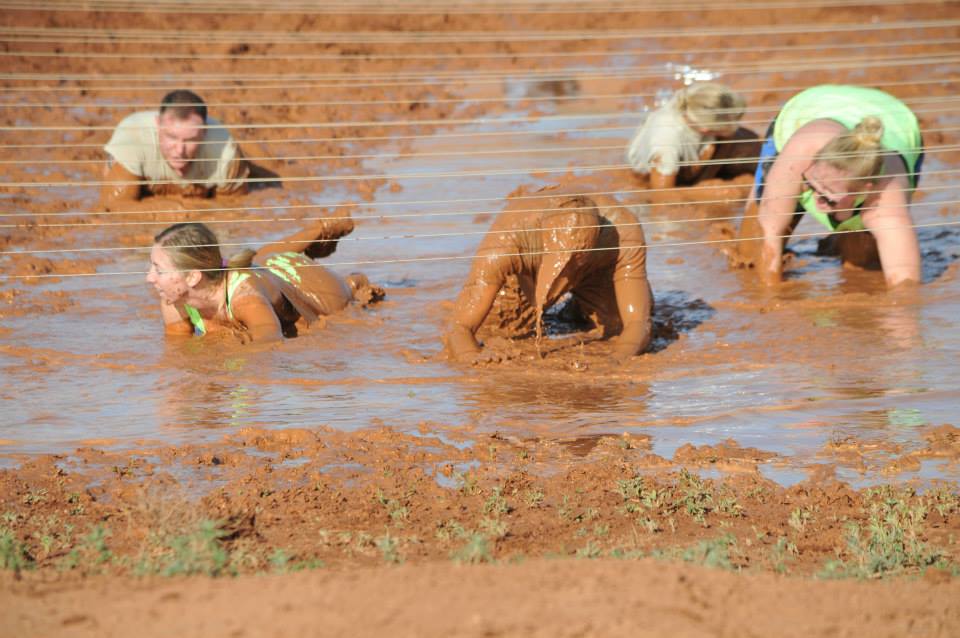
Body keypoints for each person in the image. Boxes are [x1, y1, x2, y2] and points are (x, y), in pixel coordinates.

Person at [444, 184, 653, 364]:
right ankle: (564, 308)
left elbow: (637, 323)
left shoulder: (623, 230)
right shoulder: (506, 239)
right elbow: (460, 327)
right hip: (527, 277)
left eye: (578, 255)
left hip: (595, 271)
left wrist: (618, 358)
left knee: (617, 325)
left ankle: (578, 308)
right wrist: (470, 356)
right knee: (502, 329)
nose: (571, 262)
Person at [739, 84, 923, 287]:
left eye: (828, 198)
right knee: (749, 251)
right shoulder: (800, 153)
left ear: (866, 189)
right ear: (814, 161)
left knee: (863, 263)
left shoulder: (888, 201)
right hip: (811, 107)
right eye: (811, 185)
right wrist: (770, 299)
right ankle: (837, 215)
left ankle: (844, 230)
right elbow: (770, 231)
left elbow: (905, 288)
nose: (817, 201)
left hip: (898, 119)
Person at [146, 214, 383, 342]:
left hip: (300, 280)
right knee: (259, 259)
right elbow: (178, 352)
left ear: (193, 277)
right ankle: (318, 230)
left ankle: (350, 273)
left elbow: (269, 338)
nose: (149, 278)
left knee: (343, 295)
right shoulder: (173, 299)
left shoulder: (245, 298)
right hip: (260, 271)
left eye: (159, 269)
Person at [101, 89, 250, 210]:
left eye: (190, 140)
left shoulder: (225, 151)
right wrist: (173, 214)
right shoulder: (133, 137)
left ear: (204, 132)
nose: (179, 151)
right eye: (171, 137)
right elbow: (115, 206)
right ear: (158, 125)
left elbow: (233, 211)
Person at [625, 82, 759, 198]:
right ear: (706, 129)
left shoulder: (692, 100)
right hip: (660, 173)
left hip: (698, 150)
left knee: (754, 146)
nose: (737, 124)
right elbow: (661, 195)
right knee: (729, 194)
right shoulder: (667, 142)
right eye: (733, 122)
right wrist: (705, 192)